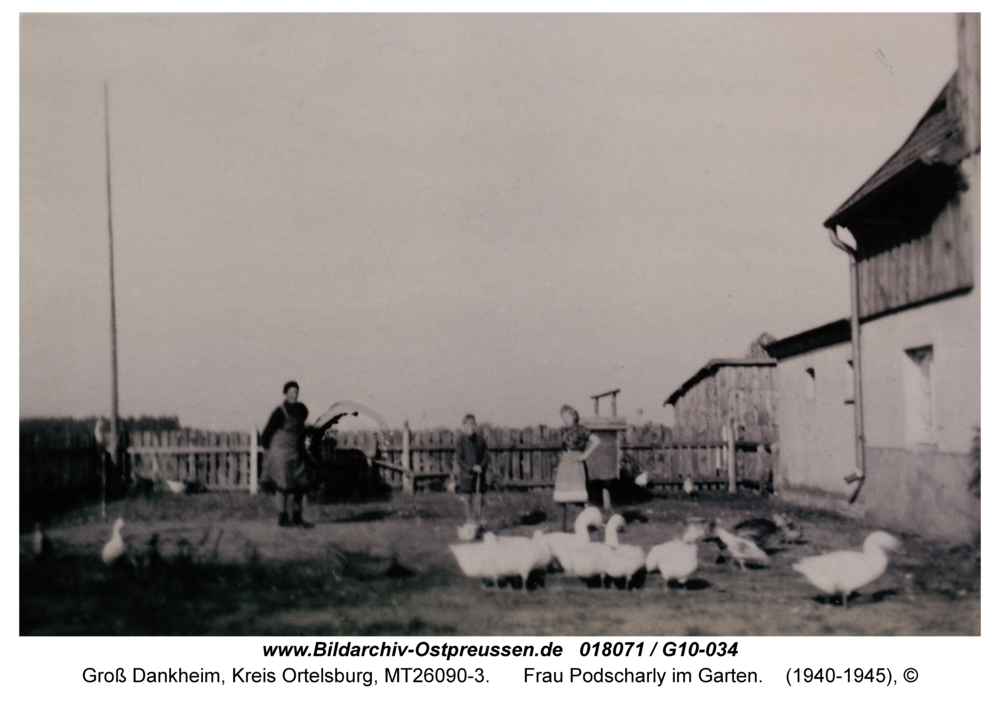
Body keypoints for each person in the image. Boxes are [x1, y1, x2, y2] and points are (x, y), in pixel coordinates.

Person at [260, 381, 313, 528]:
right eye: (290, 392)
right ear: (285, 393)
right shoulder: (279, 411)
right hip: (280, 452)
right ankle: (283, 519)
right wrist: (268, 449)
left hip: (296, 451)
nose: (293, 395)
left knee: (301, 484)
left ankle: (297, 517)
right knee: (282, 485)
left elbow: (302, 428)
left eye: (295, 392)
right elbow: (267, 432)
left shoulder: (301, 410)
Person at [553, 405, 601, 530]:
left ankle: (580, 529)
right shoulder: (563, 430)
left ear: (574, 416)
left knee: (577, 498)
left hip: (576, 463)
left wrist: (585, 455)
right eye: (563, 417)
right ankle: (561, 530)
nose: (565, 419)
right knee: (560, 498)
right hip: (565, 462)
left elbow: (596, 441)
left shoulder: (582, 429)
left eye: (568, 416)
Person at [454, 414, 490, 525]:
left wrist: (481, 466)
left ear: (475, 425)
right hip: (467, 475)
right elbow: (459, 460)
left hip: (480, 474)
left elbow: (486, 455)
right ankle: (470, 522)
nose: (470, 426)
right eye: (467, 424)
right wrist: (470, 468)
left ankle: (482, 522)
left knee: (481, 498)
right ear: (464, 426)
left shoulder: (480, 439)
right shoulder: (461, 440)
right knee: (467, 498)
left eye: (472, 424)